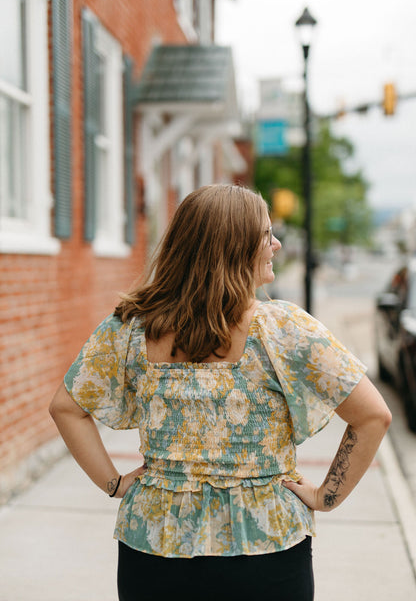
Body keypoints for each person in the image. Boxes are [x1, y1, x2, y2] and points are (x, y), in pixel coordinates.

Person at [49, 184, 391, 601]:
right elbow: (373, 416)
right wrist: (325, 497)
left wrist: (114, 484)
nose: (277, 244)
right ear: (234, 247)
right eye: (266, 235)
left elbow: (66, 407)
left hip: (154, 546)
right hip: (265, 547)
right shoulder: (284, 331)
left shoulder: (131, 328)